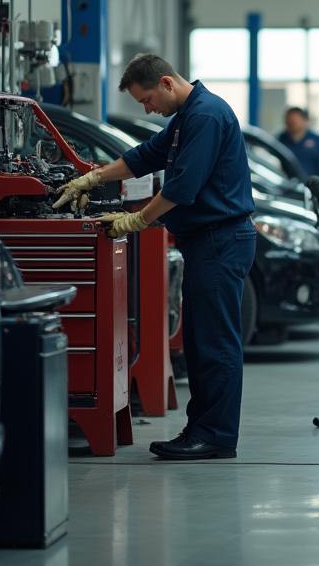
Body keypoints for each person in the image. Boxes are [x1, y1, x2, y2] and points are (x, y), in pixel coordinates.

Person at [53, 54, 256, 461]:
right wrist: (91, 177)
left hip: (220, 239)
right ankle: (202, 429)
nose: (147, 109)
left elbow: (182, 189)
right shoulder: (186, 116)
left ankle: (215, 436)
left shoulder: (207, 116)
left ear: (165, 82)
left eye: (147, 100)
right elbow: (143, 156)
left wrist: (135, 221)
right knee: (200, 344)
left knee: (215, 345)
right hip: (207, 241)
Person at [277, 106, 319, 180]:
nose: (291, 123)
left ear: (305, 121)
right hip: (287, 186)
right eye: (288, 120)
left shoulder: (317, 140)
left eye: (294, 121)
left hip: (313, 185)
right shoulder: (279, 140)